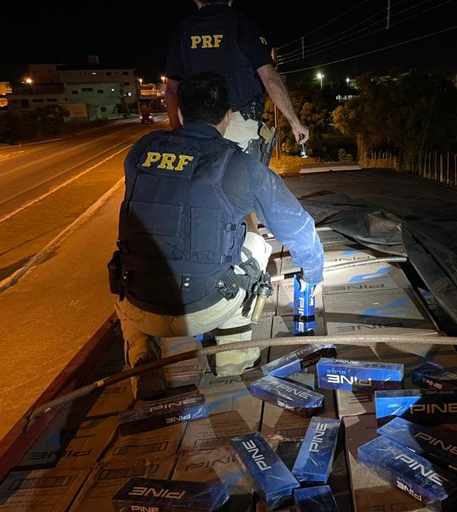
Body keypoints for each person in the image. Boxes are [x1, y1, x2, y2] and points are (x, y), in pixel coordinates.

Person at [113, 71, 324, 400]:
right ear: (227, 117)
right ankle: (231, 357)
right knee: (255, 242)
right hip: (205, 308)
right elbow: (297, 227)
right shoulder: (238, 164)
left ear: (180, 114)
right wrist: (313, 273)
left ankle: (142, 357)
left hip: (141, 305)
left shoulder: (141, 150)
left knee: (130, 261)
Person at [164, 0, 309, 164]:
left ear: (197, 3)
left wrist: (178, 131)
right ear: (230, 1)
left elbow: (171, 91)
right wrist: (294, 122)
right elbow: (269, 77)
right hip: (238, 125)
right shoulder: (242, 26)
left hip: (196, 131)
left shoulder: (184, 32)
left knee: (204, 188)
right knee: (243, 188)